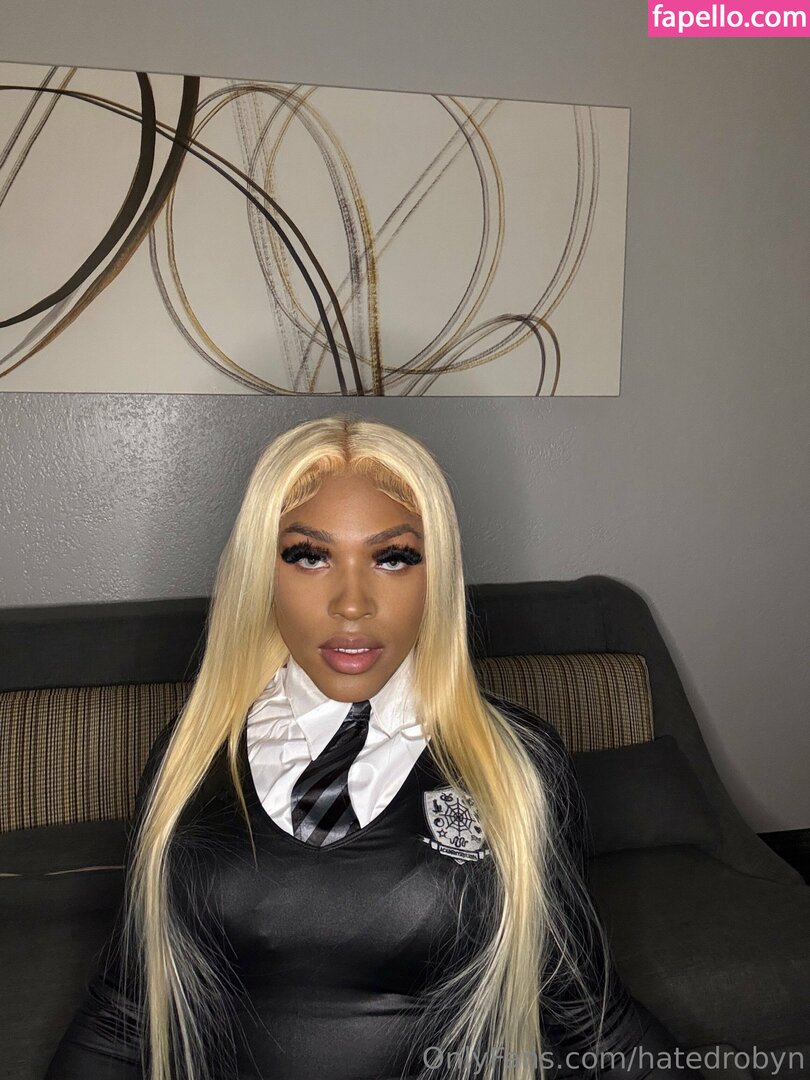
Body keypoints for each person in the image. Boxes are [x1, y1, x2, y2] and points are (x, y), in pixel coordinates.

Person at [45, 415, 703, 1080]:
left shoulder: (516, 762)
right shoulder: (188, 754)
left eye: (393, 558)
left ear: (435, 574)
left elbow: (589, 1014)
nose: (352, 604)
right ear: (260, 571)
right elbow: (124, 1011)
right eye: (310, 556)